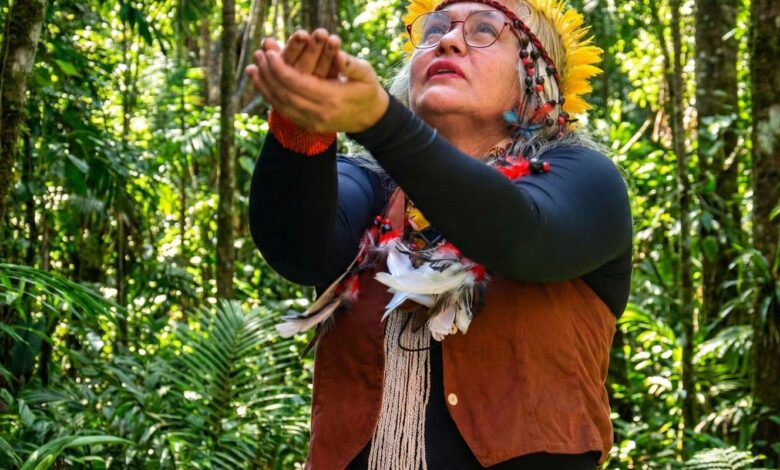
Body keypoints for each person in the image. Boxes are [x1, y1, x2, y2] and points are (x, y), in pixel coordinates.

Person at [245, 0, 632, 468]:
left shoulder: (583, 178)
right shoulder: (371, 185)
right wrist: (301, 126)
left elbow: (521, 235)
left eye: (484, 30)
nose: (447, 40)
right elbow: (298, 249)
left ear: (538, 76)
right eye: (434, 29)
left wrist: (383, 124)